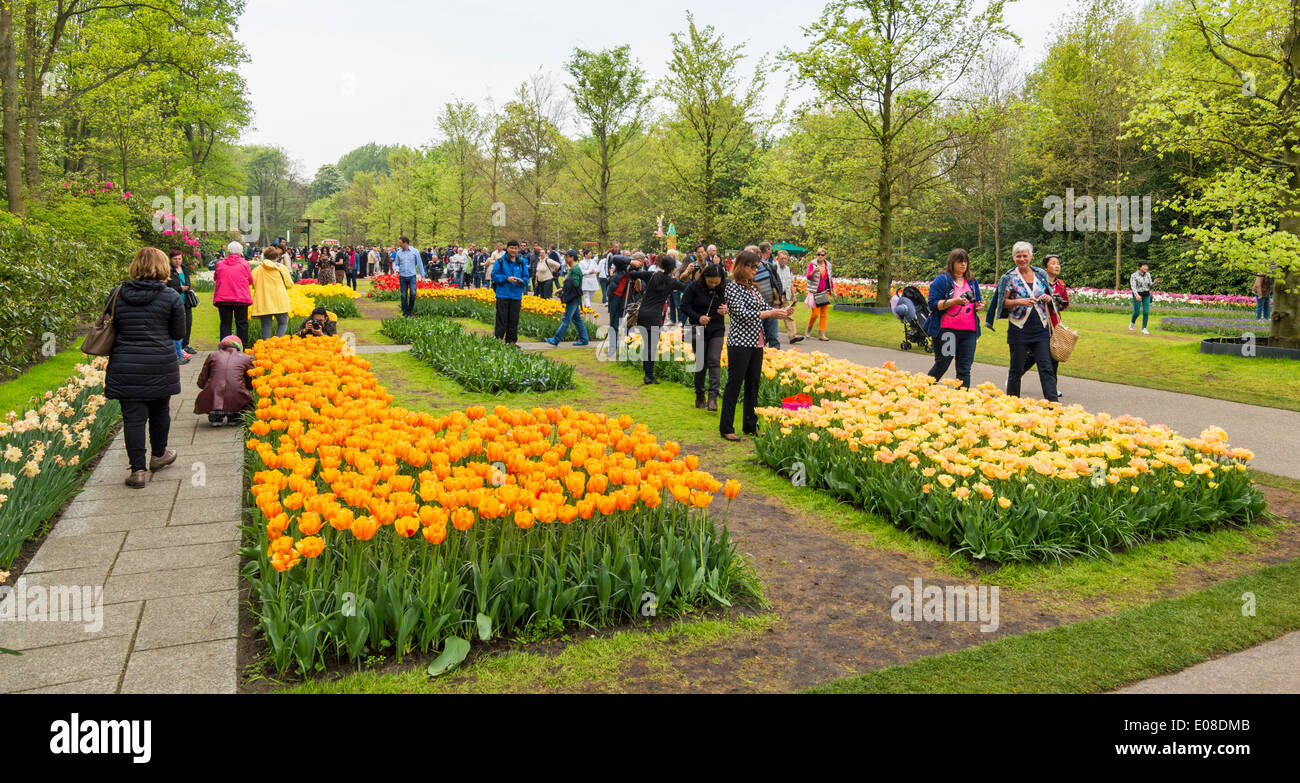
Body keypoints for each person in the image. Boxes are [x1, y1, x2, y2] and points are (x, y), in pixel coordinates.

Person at [106, 247, 184, 488]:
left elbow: (111, 326)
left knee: (133, 418)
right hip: (159, 361)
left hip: (126, 362)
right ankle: (159, 455)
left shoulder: (117, 293)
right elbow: (178, 333)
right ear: (163, 267)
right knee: (160, 411)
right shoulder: (170, 296)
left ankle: (137, 470)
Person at [719, 250, 792, 440]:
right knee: (734, 385)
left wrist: (780, 311)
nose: (755, 270)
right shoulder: (733, 287)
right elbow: (741, 314)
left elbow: (763, 307)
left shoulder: (751, 287)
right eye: (752, 267)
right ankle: (726, 427)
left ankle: (750, 425)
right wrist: (769, 314)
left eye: (757, 267)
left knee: (753, 385)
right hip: (740, 343)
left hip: (756, 342)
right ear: (742, 266)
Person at [986, 241, 1058, 402]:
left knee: (1046, 368)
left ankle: (1054, 406)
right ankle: (1012, 404)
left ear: (1031, 257)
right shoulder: (1009, 278)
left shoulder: (1040, 274)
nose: (1022, 259)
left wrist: (1047, 297)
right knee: (1016, 369)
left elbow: (1049, 294)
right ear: (1014, 258)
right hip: (1019, 328)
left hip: (1040, 327)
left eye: (1025, 255)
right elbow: (1002, 303)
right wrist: (1020, 301)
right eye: (1018, 256)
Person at [924, 248, 984, 389]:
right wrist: (954, 301)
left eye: (965, 261)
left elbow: (977, 301)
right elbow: (932, 304)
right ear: (952, 263)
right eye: (959, 261)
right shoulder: (942, 280)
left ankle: (961, 401)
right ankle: (921, 390)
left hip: (969, 332)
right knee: (943, 364)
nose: (963, 264)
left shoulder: (971, 281)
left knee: (964, 369)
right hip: (947, 332)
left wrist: (978, 307)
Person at [626, 254, 690, 384]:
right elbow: (687, 288)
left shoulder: (652, 275)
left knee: (647, 345)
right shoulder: (672, 282)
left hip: (643, 313)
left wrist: (633, 266)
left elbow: (632, 274)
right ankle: (649, 375)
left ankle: (647, 374)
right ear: (672, 269)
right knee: (651, 346)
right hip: (655, 315)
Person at [680, 263, 726, 410]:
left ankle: (713, 398)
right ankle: (700, 396)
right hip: (698, 328)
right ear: (705, 277)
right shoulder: (694, 287)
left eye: (716, 282)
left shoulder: (725, 288)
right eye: (710, 281)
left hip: (717, 328)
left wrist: (727, 309)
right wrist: (698, 317)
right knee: (701, 364)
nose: (713, 285)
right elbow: (684, 305)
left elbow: (733, 304)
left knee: (714, 360)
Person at [1022, 254, 1069, 391]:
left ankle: (1052, 387)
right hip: (1038, 323)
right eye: (1053, 263)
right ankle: (1016, 375)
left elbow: (1065, 303)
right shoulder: (1037, 282)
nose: (1057, 266)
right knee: (1033, 355)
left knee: (1054, 355)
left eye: (1058, 263)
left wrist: (1056, 302)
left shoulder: (1061, 284)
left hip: (1054, 325)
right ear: (1045, 268)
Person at [195, 335, 254, 427]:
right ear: (240, 347)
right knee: (239, 393)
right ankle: (234, 416)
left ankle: (216, 415)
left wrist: (203, 386)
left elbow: (202, 378)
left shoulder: (212, 355)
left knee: (214, 390)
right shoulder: (246, 358)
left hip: (212, 396)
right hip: (237, 397)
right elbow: (250, 382)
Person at [545, 250, 590, 347]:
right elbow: (571, 283)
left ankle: (555, 340)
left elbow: (576, 284)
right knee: (577, 319)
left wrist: (566, 281)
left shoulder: (576, 269)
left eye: (567, 256)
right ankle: (584, 339)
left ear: (572, 257)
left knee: (566, 319)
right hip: (574, 297)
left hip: (573, 298)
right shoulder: (573, 269)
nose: (565, 258)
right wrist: (561, 289)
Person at [213, 241, 252, 346]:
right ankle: (242, 346)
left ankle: (225, 347)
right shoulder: (245, 264)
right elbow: (250, 280)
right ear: (240, 252)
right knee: (242, 324)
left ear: (229, 251)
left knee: (225, 324)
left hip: (223, 298)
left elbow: (216, 278)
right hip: (241, 298)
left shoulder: (220, 264)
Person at [491, 240, 530, 345]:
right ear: (507, 248)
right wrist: (506, 278)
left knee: (513, 320)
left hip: (516, 295)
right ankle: (497, 341)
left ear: (518, 249)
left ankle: (511, 342)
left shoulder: (521, 262)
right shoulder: (500, 261)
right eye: (511, 248)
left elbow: (526, 277)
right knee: (501, 320)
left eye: (515, 248)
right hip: (503, 294)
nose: (513, 250)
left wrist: (521, 281)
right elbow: (494, 276)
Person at [250, 247, 293, 340]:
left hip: (264, 300)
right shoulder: (281, 268)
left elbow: (252, 283)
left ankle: (266, 346)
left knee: (266, 326)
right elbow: (289, 284)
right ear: (277, 257)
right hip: (280, 300)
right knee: (283, 323)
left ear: (264, 256)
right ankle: (277, 342)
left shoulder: (258, 269)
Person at [166, 250, 196, 362]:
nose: (178, 261)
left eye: (179, 258)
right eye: (175, 259)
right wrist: (179, 288)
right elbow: (167, 287)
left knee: (188, 323)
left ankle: (185, 345)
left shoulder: (184, 268)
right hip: (175, 301)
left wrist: (188, 287)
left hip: (186, 300)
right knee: (178, 325)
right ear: (170, 259)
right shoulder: (169, 271)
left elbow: (187, 281)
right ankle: (178, 349)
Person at [754, 242, 783, 349]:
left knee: (773, 337)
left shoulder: (768, 266)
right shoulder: (749, 270)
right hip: (757, 309)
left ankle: (776, 361)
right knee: (758, 339)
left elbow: (776, 284)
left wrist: (778, 301)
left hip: (771, 306)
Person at [804, 248, 834, 341]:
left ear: (825, 256)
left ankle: (821, 334)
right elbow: (808, 277)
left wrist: (833, 290)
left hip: (825, 292)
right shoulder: (812, 264)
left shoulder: (828, 265)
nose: (820, 256)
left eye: (822, 255)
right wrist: (814, 271)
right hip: (814, 293)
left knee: (824, 314)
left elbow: (830, 278)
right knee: (815, 314)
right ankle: (808, 329)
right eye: (818, 254)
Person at [775, 250, 803, 344]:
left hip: (785, 295)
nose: (783, 260)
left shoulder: (788, 269)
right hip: (774, 296)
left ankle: (792, 337)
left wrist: (794, 295)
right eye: (781, 258)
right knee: (770, 315)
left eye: (785, 259)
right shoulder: (773, 267)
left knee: (789, 314)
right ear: (777, 258)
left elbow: (790, 283)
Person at [393, 236, 425, 317]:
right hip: (402, 276)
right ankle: (405, 312)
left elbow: (420, 264)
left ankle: (410, 311)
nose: (399, 245)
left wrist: (423, 276)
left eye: (400, 243)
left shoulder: (415, 251)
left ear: (405, 243)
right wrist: (396, 270)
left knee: (413, 293)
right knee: (403, 295)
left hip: (412, 276)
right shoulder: (399, 253)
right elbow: (397, 264)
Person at [1128, 261, 1154, 334]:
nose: (1146, 267)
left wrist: (1154, 283)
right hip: (1137, 295)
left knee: (1146, 312)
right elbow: (1133, 286)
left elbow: (1150, 285)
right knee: (1137, 312)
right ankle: (1132, 324)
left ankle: (1144, 328)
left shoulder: (1148, 274)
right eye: (1144, 266)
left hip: (1146, 294)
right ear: (1140, 267)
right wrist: (1136, 295)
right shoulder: (1134, 275)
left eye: (1147, 266)